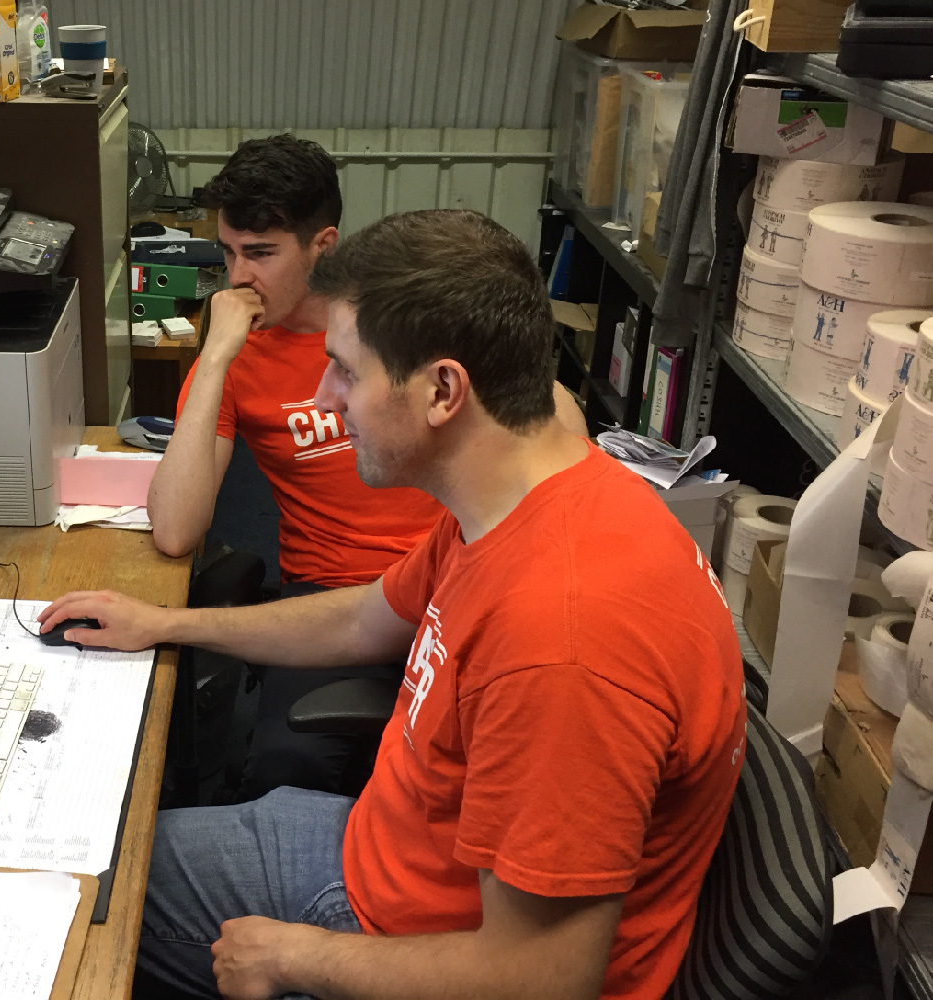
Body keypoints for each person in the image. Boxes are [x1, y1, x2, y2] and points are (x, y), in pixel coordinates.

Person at [42, 210, 743, 999]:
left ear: (443, 389)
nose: (323, 394)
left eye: (345, 369)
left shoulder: (563, 641)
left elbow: (543, 977)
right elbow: (360, 617)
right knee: (110, 844)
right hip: (392, 848)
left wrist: (291, 958)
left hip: (411, 932)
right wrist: (167, 624)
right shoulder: (525, 500)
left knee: (63, 904)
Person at [149, 134, 585, 801]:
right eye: (228, 253)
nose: (238, 278)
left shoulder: (399, 321)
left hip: (449, 586)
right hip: (325, 593)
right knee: (285, 765)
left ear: (322, 245)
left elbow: (551, 415)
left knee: (507, 764)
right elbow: (177, 530)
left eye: (261, 254)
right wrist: (213, 358)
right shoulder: (239, 353)